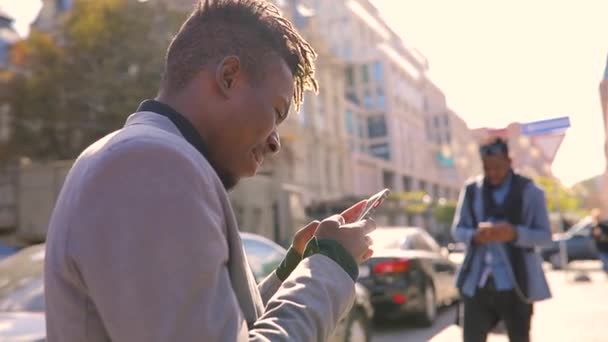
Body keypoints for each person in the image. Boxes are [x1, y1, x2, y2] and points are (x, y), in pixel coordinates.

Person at [44, 1, 376, 341]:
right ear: (228, 76)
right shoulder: (151, 165)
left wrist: (292, 272)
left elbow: (221, 329)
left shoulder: (141, 156)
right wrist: (329, 267)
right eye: (277, 111)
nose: (276, 142)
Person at [452, 137, 552, 342]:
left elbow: (545, 236)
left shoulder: (530, 192)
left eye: (498, 166)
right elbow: (458, 230)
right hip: (477, 283)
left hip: (516, 284)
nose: (493, 173)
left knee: (520, 337)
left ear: (509, 161)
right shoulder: (471, 191)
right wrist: (475, 236)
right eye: (487, 168)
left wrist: (515, 234)